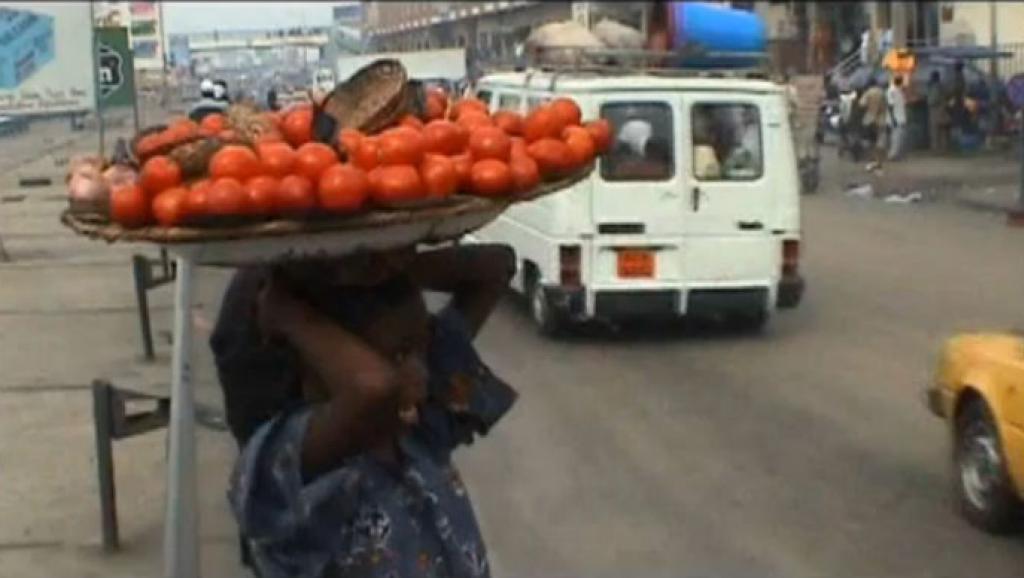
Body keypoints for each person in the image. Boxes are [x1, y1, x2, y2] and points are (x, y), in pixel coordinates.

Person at [211, 245, 518, 578]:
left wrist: (389, 267)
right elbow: (374, 391)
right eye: (398, 356)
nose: (422, 371)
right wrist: (288, 313)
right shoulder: (286, 466)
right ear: (316, 362)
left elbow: (497, 266)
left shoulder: (418, 433)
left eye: (420, 350)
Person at [858, 77, 887, 172]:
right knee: (880, 140)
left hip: (869, 119)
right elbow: (886, 104)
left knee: (870, 141)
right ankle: (879, 161)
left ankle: (872, 160)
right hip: (881, 119)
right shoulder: (882, 92)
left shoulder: (868, 92)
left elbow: (861, 104)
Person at [926, 70, 949, 152]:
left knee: (935, 129)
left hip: (936, 109)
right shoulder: (941, 86)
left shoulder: (935, 86)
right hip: (942, 108)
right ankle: (943, 147)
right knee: (942, 129)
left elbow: (933, 100)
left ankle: (935, 148)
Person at [886, 75, 907, 161]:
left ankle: (896, 155)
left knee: (900, 137)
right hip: (896, 119)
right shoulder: (892, 90)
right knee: (895, 138)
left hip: (900, 117)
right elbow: (890, 105)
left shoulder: (898, 90)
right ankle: (892, 155)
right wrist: (893, 119)